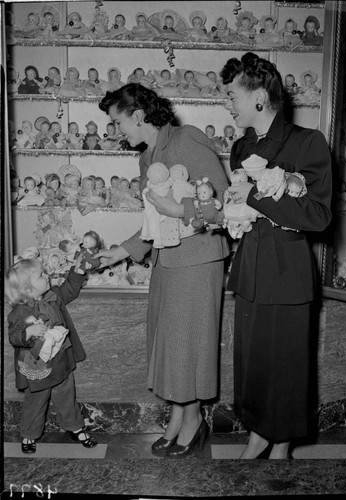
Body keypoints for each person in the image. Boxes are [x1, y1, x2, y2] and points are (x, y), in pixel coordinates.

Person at [96, 83, 229, 458]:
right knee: (170, 342)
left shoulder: (187, 140)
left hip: (198, 259)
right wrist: (121, 251)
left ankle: (192, 422)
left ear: (138, 116)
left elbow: (221, 202)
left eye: (118, 123)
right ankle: (179, 418)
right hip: (167, 260)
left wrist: (181, 211)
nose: (117, 132)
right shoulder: (146, 158)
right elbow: (152, 223)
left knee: (185, 341)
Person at [220, 52, 332, 459]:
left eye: (232, 95)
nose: (228, 103)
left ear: (260, 96)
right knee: (253, 364)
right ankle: (258, 435)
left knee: (285, 365)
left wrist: (254, 195)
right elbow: (242, 211)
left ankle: (280, 445)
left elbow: (319, 216)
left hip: (287, 275)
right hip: (250, 269)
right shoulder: (240, 148)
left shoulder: (307, 143)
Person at [5, 258, 97, 454]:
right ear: (27, 288)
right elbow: (14, 336)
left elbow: (69, 289)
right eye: (41, 275)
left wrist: (78, 272)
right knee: (36, 401)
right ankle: (29, 433)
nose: (46, 275)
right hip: (37, 366)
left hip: (60, 360)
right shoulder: (19, 313)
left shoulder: (53, 295)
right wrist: (28, 333)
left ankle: (75, 427)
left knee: (67, 396)